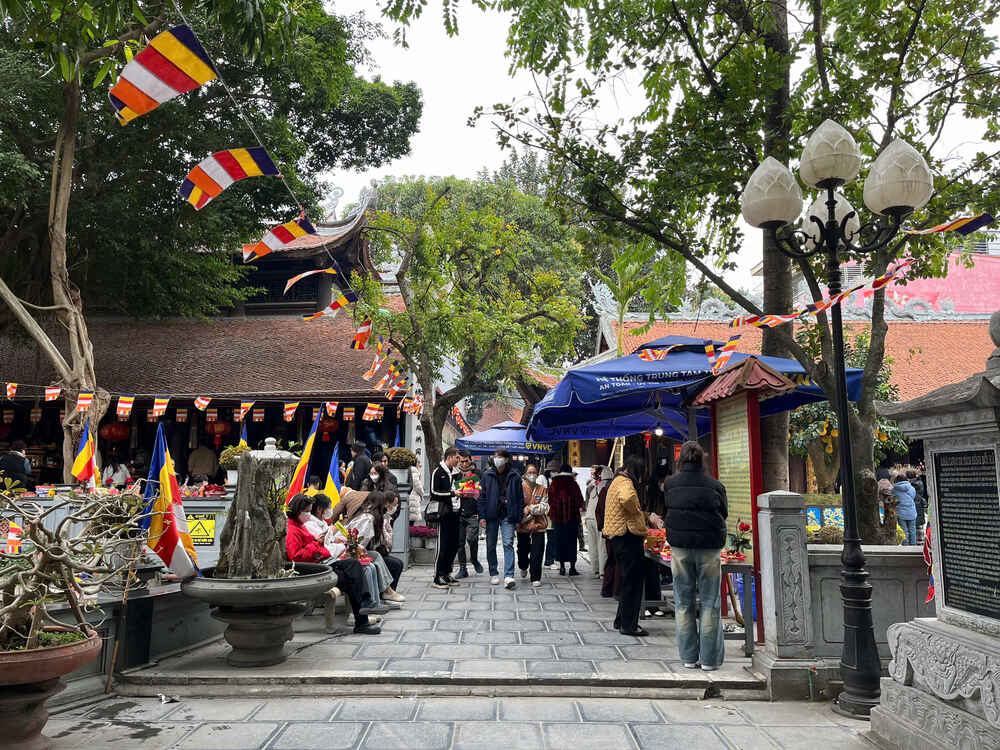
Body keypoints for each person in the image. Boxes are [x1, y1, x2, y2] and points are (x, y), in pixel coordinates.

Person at [664, 441, 728, 670]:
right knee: (710, 602)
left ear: (681, 460)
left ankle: (689, 657)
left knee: (683, 603)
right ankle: (710, 660)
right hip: (709, 548)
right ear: (702, 460)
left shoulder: (671, 484)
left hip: (680, 548)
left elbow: (667, 509)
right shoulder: (715, 485)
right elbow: (724, 512)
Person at [284, 493, 385, 634]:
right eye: (306, 511)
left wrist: (321, 544)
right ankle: (362, 618)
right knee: (352, 577)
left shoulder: (301, 526)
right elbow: (297, 557)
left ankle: (365, 602)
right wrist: (315, 543)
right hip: (314, 569)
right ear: (297, 510)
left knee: (353, 565)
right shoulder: (293, 530)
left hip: (322, 562)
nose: (308, 514)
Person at [603, 455, 650, 636]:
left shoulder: (616, 480)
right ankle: (630, 625)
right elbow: (628, 499)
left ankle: (621, 620)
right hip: (628, 537)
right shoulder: (626, 482)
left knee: (626, 580)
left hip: (618, 538)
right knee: (633, 582)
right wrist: (637, 511)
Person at [344, 490, 405, 603]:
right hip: (350, 554)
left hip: (360, 551)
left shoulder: (373, 517)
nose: (388, 508)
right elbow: (356, 543)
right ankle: (385, 593)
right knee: (377, 562)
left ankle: (386, 593)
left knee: (385, 560)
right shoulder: (367, 519)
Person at [479, 449, 524, 588]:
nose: (496, 459)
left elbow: (519, 499)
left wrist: (518, 518)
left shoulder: (515, 476)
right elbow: (482, 497)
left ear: (506, 459)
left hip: (508, 515)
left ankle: (509, 575)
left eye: (499, 457)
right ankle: (493, 572)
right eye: (495, 457)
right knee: (491, 545)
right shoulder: (487, 475)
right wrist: (482, 516)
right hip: (491, 515)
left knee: (508, 543)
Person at [431, 446, 462, 589]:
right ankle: (437, 577)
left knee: (454, 544)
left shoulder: (456, 473)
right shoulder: (438, 472)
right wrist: (452, 494)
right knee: (442, 545)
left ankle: (447, 573)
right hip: (443, 513)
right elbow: (434, 492)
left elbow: (457, 489)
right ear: (449, 457)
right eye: (457, 457)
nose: (459, 460)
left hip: (455, 513)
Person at [547, 464, 584, 577]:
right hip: (572, 518)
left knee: (560, 541)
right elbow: (580, 500)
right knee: (572, 542)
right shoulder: (573, 484)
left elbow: (550, 500)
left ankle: (562, 567)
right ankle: (572, 568)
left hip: (558, 518)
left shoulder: (554, 483)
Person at [516, 463, 549, 586]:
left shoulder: (543, 489)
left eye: (534, 472)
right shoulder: (520, 487)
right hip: (523, 525)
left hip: (539, 525)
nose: (532, 475)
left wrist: (530, 508)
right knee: (522, 552)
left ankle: (535, 577)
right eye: (529, 472)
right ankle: (523, 566)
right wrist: (523, 510)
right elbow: (517, 505)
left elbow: (544, 507)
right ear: (525, 474)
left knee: (538, 552)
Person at [455, 452, 483, 578]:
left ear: (471, 460)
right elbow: (454, 491)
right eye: (462, 461)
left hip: (474, 512)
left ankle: (474, 559)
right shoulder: (456, 475)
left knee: (472, 539)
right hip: (459, 512)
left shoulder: (478, 474)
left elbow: (480, 493)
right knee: (459, 542)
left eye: (466, 461)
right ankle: (462, 568)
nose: (464, 463)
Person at [583, 465, 612, 576]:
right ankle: (602, 571)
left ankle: (595, 569)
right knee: (602, 545)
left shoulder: (592, 485)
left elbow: (587, 501)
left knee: (592, 545)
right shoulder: (608, 486)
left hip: (589, 516)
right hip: (599, 518)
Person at [893, 470, 918, 544]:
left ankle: (906, 545)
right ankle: (913, 545)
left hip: (901, 512)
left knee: (904, 530)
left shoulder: (894, 489)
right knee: (912, 530)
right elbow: (913, 497)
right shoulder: (912, 488)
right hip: (911, 511)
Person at [907, 467, 927, 541]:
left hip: (913, 506)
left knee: (913, 525)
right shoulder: (920, 482)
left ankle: (914, 541)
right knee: (919, 525)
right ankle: (920, 541)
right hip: (919, 506)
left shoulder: (911, 485)